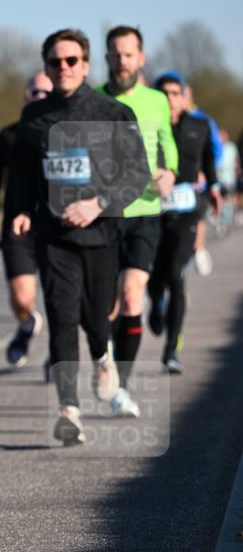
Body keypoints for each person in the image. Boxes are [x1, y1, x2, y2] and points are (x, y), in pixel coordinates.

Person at [9, 28, 149, 446]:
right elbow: (21, 176)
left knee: (95, 318)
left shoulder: (112, 112)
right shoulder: (33, 119)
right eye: (55, 62)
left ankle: (103, 357)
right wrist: (18, 209)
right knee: (61, 316)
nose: (64, 68)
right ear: (46, 67)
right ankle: (69, 409)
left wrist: (97, 203)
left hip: (102, 233)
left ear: (86, 65)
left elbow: (136, 174)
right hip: (54, 236)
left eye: (72, 61)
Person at [98, 26, 178, 418]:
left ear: (140, 58)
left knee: (132, 295)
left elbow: (168, 143)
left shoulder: (157, 101)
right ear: (107, 57)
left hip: (145, 211)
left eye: (128, 54)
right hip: (106, 212)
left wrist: (171, 171)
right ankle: (105, 358)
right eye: (114, 54)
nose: (121, 61)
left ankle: (121, 388)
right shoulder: (94, 100)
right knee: (105, 305)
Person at [148, 74, 221, 373]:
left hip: (188, 210)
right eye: (163, 93)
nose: (169, 99)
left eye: (175, 93)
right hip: (153, 210)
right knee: (155, 277)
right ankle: (154, 301)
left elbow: (208, 164)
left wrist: (214, 188)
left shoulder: (199, 125)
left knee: (176, 276)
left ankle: (171, 349)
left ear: (184, 96)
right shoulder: (148, 126)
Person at [0, 71, 53, 366]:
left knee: (58, 298)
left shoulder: (66, 135)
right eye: (35, 92)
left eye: (46, 93)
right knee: (22, 298)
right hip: (17, 223)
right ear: (26, 95)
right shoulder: (9, 135)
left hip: (55, 224)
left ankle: (58, 353)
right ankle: (25, 325)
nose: (40, 98)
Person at [183, 82, 223, 275]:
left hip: (198, 179)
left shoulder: (203, 120)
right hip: (176, 181)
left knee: (198, 214)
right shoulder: (168, 116)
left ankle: (198, 248)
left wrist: (207, 173)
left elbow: (216, 149)